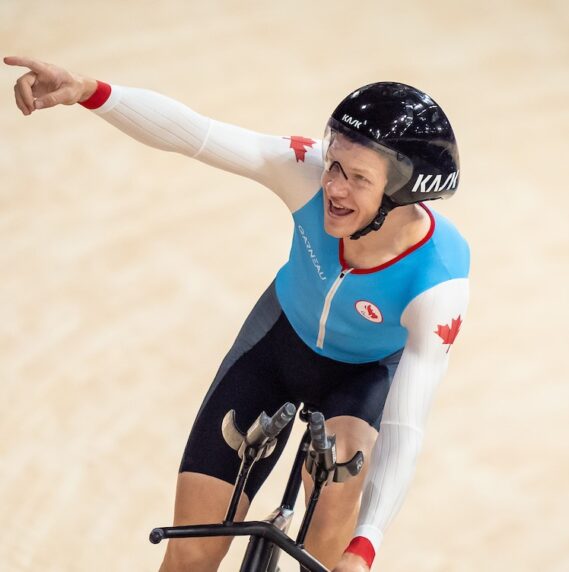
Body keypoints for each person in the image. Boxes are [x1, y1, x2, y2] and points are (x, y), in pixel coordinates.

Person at [5, 55, 470, 572]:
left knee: (338, 483)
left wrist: (366, 546)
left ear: (403, 194)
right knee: (192, 553)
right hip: (277, 348)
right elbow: (196, 134)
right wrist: (86, 89)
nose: (334, 186)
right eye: (334, 163)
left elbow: (407, 424)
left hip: (358, 382)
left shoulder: (439, 282)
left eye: (358, 177)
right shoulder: (306, 175)